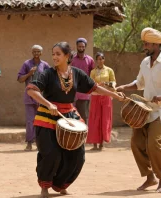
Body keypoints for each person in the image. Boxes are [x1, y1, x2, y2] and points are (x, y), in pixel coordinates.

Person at [27, 42, 125, 198]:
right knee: (51, 154)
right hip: (47, 116)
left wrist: (114, 95)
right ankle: (45, 186)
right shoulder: (47, 73)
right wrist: (48, 103)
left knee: (78, 156)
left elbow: (94, 88)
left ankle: (60, 184)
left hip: (69, 114)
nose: (54, 57)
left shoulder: (77, 73)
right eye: (53, 54)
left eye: (58, 54)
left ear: (67, 56)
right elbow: (32, 90)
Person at [116, 27, 161, 193]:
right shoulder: (145, 63)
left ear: (156, 44)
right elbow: (139, 83)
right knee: (136, 142)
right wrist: (125, 86)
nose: (144, 46)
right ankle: (149, 177)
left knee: (153, 143)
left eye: (147, 43)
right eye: (144, 43)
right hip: (145, 110)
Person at [17, 45, 50, 151]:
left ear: (41, 53)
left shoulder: (45, 65)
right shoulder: (27, 64)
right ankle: (29, 142)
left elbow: (50, 79)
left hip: (41, 97)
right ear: (32, 52)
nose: (36, 53)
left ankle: (39, 142)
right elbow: (20, 79)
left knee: (41, 120)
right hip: (29, 96)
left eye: (38, 52)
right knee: (30, 121)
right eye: (34, 51)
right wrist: (29, 73)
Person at [87, 52, 116, 151]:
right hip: (95, 97)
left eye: (101, 59)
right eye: (98, 59)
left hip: (106, 96)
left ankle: (102, 144)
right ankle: (94, 144)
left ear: (104, 60)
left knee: (105, 119)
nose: (100, 61)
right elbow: (90, 84)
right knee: (95, 119)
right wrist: (97, 85)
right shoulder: (93, 71)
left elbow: (114, 82)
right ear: (96, 60)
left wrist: (106, 84)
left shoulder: (109, 70)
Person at [71, 38, 95, 124]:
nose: (81, 48)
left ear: (85, 47)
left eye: (82, 46)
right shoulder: (72, 59)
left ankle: (84, 136)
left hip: (84, 93)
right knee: (72, 115)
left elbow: (92, 76)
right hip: (73, 91)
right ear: (76, 47)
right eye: (79, 46)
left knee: (84, 116)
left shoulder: (90, 60)